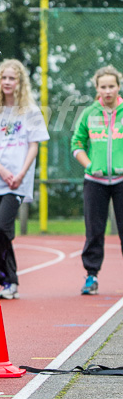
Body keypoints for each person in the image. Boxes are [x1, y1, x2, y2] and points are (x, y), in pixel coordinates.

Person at [0, 60, 49, 300]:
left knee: (2, 227)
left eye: (12, 78)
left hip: (18, 182)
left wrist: (20, 173)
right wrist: (1, 170)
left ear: (20, 82)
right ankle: (7, 282)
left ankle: (7, 279)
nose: (7, 82)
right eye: (4, 78)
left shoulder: (30, 112)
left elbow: (34, 146)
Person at [71, 65, 123, 296]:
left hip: (122, 180)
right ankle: (91, 276)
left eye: (112, 86)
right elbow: (77, 144)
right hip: (95, 182)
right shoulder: (89, 113)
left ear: (118, 87)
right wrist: (90, 165)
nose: (108, 91)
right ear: (97, 88)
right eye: (103, 87)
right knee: (94, 230)